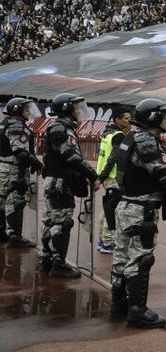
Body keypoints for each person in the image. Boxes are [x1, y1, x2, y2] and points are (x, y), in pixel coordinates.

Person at [110, 99, 166, 327]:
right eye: (164, 117)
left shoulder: (129, 137)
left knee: (121, 257)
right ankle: (137, 310)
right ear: (154, 118)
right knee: (141, 259)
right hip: (141, 211)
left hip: (125, 205)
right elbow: (165, 174)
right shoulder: (146, 141)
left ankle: (118, 304)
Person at [41, 93, 98, 278]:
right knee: (62, 222)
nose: (78, 110)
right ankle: (58, 264)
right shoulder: (62, 129)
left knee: (51, 221)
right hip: (60, 182)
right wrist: (92, 175)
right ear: (66, 108)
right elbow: (72, 156)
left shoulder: (56, 127)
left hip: (53, 180)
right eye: (75, 107)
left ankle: (48, 259)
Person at [0, 98, 43, 247]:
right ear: (17, 110)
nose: (28, 113)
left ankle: (3, 232)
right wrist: (38, 164)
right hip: (14, 170)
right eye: (25, 110)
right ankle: (15, 236)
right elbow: (20, 151)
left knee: (3, 201)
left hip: (4, 168)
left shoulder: (6, 123)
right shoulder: (17, 125)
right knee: (16, 202)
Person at [95, 106, 131, 254]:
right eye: (127, 118)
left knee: (107, 208)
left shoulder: (107, 134)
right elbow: (114, 158)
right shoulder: (119, 136)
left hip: (106, 176)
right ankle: (108, 242)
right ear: (117, 119)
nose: (130, 121)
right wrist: (103, 176)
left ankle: (102, 239)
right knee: (113, 210)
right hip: (113, 177)